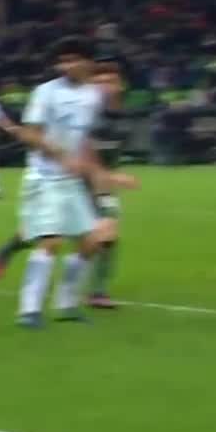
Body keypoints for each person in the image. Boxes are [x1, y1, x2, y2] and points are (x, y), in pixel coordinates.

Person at [11, 39, 138, 328]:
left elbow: (86, 140)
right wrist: (60, 155)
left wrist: (101, 173)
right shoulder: (46, 92)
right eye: (62, 61)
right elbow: (29, 134)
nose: (66, 66)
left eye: (73, 59)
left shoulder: (93, 96)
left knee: (92, 242)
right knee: (51, 242)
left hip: (71, 179)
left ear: (88, 62)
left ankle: (66, 305)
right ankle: (28, 310)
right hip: (44, 178)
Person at [87, 61, 133, 308]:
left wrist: (110, 177)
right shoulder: (84, 116)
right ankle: (10, 248)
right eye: (98, 83)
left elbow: (112, 154)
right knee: (42, 235)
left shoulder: (123, 117)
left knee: (108, 236)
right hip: (70, 182)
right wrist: (113, 176)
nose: (103, 87)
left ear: (120, 85)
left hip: (102, 185)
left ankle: (98, 292)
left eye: (109, 82)